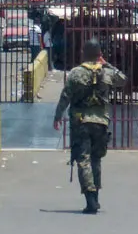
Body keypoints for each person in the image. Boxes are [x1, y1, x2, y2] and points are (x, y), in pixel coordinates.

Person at [53, 39, 125, 214]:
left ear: (83, 53)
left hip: (81, 122)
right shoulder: (107, 72)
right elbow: (123, 79)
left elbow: (65, 97)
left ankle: (90, 198)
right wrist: (106, 63)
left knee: (83, 159)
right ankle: (96, 197)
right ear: (99, 54)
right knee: (96, 159)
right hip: (101, 122)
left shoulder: (76, 73)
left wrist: (57, 116)